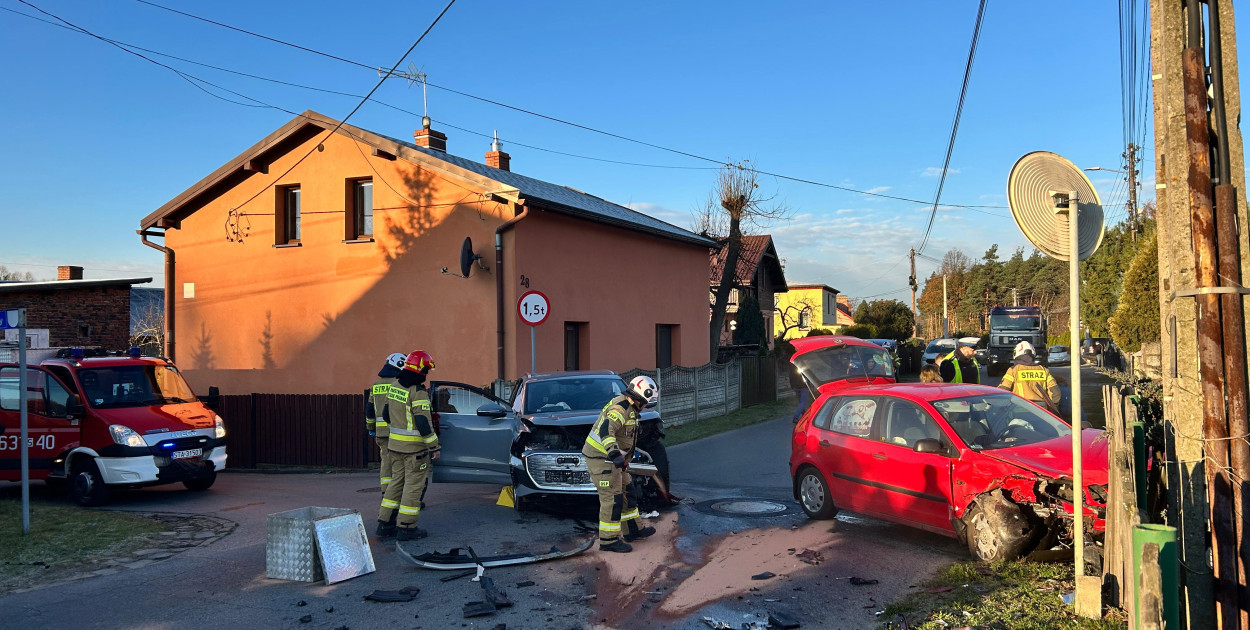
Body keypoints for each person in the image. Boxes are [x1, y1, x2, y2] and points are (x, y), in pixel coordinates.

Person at [582, 375, 658, 553]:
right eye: (645, 403)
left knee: (628, 491)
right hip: (602, 459)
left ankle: (632, 530)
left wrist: (623, 458)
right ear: (639, 397)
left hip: (614, 460)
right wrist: (614, 453)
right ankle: (608, 540)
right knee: (612, 499)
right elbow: (606, 430)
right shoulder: (620, 408)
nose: (645, 407)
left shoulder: (631, 407)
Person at [377, 350, 440, 541]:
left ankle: (385, 524)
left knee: (395, 483)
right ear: (420, 369)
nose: (426, 374)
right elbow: (422, 422)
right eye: (426, 370)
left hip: (394, 447)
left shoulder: (395, 386)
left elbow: (386, 415)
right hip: (414, 451)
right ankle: (406, 527)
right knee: (413, 487)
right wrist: (434, 446)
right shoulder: (418, 391)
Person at [366, 352, 407, 492]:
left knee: (386, 463)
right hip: (399, 431)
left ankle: (386, 493)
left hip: (381, 433)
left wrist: (371, 427)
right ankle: (400, 495)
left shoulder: (375, 385)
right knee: (401, 464)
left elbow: (370, 409)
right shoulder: (400, 384)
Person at [998, 341, 1061, 415]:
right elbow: (1056, 394)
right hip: (1041, 414)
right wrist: (1052, 409)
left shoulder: (1013, 370)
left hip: (1019, 413)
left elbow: (1002, 391)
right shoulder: (1044, 370)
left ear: (1016, 354)